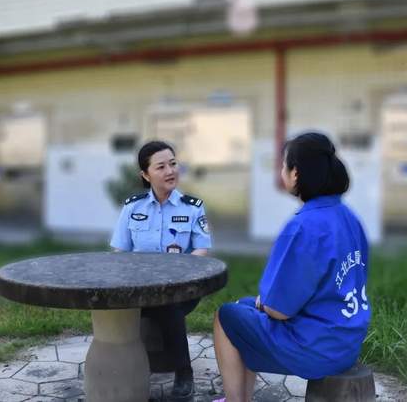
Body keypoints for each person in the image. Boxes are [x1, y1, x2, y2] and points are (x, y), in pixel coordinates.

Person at [212, 132, 370, 402]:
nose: (281, 170)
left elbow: (278, 310)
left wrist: (263, 305)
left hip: (314, 348)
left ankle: (236, 400)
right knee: (245, 309)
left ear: (296, 173)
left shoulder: (302, 227)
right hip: (347, 338)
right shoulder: (349, 217)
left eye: (284, 164)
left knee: (226, 316)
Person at [110, 140, 212, 400]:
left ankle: (183, 372)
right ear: (145, 175)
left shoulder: (192, 207)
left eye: (173, 164)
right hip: (137, 289)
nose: (170, 171)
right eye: (161, 166)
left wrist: (178, 275)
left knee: (169, 305)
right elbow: (120, 252)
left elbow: (201, 250)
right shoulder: (133, 207)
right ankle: (125, 369)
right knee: (114, 310)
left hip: (181, 288)